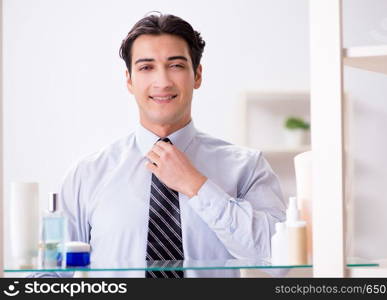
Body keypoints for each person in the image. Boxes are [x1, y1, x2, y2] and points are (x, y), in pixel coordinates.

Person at [35, 13, 286, 278]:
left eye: (176, 65)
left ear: (197, 75)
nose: (163, 81)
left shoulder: (247, 167)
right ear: (129, 80)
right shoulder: (86, 175)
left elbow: (278, 260)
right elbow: (52, 276)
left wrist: (196, 186)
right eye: (146, 67)